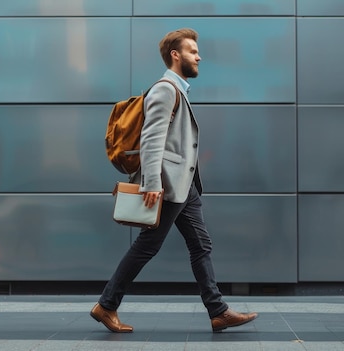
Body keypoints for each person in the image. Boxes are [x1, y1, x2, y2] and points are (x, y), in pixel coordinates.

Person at [91, 28, 258, 333]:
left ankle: (217, 310)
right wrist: (153, 182)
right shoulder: (166, 89)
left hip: (185, 185)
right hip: (168, 185)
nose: (199, 56)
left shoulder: (177, 90)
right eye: (193, 51)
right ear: (175, 55)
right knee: (148, 245)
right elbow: (152, 138)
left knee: (200, 244)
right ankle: (106, 305)